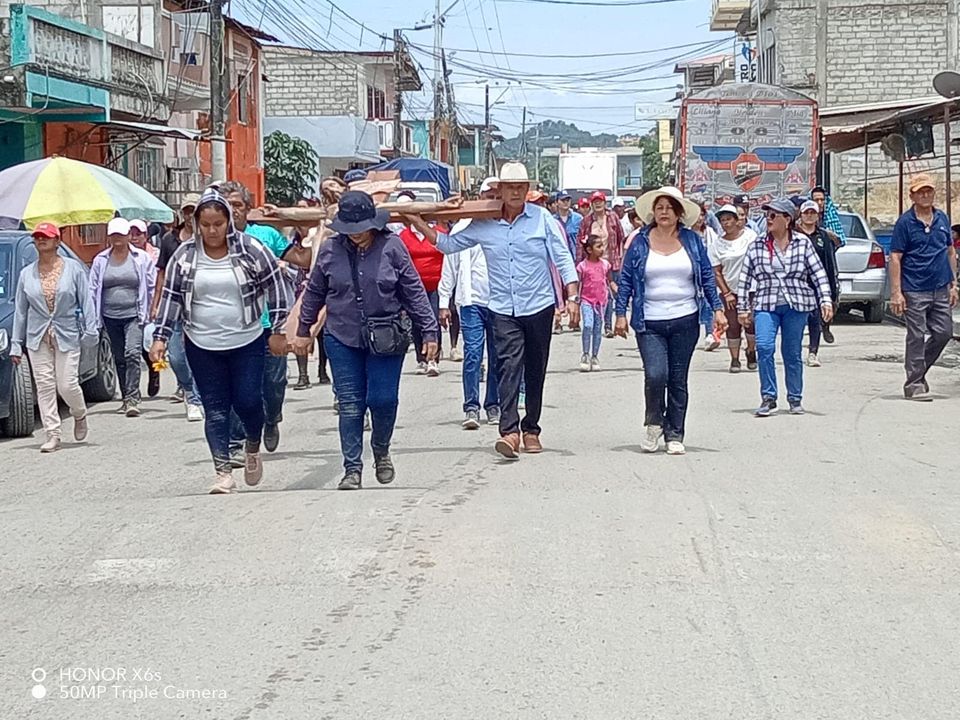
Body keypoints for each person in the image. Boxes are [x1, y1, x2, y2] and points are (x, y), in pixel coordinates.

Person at [428, 162, 580, 460]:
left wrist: (572, 296)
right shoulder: (483, 223)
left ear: (527, 190)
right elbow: (448, 245)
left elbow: (562, 257)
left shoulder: (541, 218)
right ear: (500, 190)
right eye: (510, 187)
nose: (515, 192)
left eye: (521, 187)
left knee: (535, 369)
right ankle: (509, 431)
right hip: (501, 307)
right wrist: (418, 222)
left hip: (538, 305)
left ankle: (531, 428)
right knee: (508, 366)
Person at [293, 191, 439, 490]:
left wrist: (430, 331)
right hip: (341, 336)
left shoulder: (392, 247)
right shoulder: (330, 250)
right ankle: (352, 469)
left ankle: (381, 450)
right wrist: (304, 330)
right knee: (350, 405)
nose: (356, 234)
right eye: (350, 228)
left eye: (361, 228)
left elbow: (413, 291)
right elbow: (315, 292)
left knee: (383, 400)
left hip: (387, 336)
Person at [150, 189, 292, 494]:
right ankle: (223, 472)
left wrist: (279, 329)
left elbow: (276, 288)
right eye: (206, 225)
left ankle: (252, 444)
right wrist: (160, 337)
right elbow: (171, 298)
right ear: (196, 224)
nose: (212, 231)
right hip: (201, 343)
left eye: (218, 224)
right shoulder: (184, 256)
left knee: (248, 401)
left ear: (228, 221)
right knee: (215, 408)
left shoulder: (252, 250)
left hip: (246, 340)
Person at [614, 187, 725, 456]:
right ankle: (654, 423)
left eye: (669, 207)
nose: (664, 212)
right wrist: (620, 314)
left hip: (685, 319)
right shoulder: (639, 241)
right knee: (656, 374)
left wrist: (717, 309)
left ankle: (674, 433)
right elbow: (626, 279)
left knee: (677, 379)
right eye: (659, 207)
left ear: (679, 213)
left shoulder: (692, 241)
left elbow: (706, 276)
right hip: (649, 321)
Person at [220, 180, 311, 456]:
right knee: (236, 387)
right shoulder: (209, 240)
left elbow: (303, 259)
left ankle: (271, 418)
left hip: (269, 325)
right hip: (231, 328)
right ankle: (237, 443)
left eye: (238, 205)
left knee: (273, 384)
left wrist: (298, 225)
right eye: (227, 205)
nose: (233, 210)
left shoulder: (266, 235)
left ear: (248, 209)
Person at [738, 198, 834, 417]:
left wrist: (826, 300)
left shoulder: (802, 243)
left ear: (787, 219)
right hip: (766, 303)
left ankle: (795, 398)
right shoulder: (757, 244)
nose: (769, 219)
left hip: (796, 304)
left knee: (792, 352)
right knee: (764, 347)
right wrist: (743, 308)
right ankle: (768, 397)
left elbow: (818, 273)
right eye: (767, 215)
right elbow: (745, 278)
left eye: (774, 215)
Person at [10, 222, 97, 452]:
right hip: (37, 336)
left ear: (57, 241)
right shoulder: (26, 274)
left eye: (46, 237)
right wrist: (16, 344)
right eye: (38, 237)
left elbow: (86, 300)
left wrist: (91, 330)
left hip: (67, 333)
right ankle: (53, 433)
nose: (41, 240)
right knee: (45, 385)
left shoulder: (73, 269)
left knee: (67, 385)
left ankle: (79, 413)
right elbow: (21, 311)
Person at [889, 174, 958, 401]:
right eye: (920, 192)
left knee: (944, 333)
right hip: (914, 289)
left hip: (940, 288)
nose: (925, 195)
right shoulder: (905, 223)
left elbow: (950, 251)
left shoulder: (942, 219)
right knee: (916, 335)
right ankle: (914, 385)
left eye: (928, 191)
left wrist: (954, 284)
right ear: (912, 196)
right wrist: (896, 293)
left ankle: (918, 373)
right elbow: (895, 257)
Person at [439, 181, 501, 430]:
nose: (492, 198)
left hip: (499, 303)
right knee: (473, 354)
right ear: (480, 196)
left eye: (496, 195)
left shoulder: (505, 226)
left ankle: (493, 404)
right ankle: (471, 406)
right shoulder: (463, 227)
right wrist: (444, 302)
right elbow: (450, 266)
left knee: (497, 356)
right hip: (471, 302)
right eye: (488, 194)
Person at [89, 217, 157, 417]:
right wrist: (92, 316)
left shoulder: (141, 258)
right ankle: (126, 396)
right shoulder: (101, 260)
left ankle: (133, 398)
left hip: (134, 314)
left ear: (128, 236)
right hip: (110, 316)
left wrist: (153, 309)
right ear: (109, 237)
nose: (117, 239)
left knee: (132, 353)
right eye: (114, 235)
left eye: (121, 235)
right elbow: (93, 289)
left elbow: (151, 285)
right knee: (119, 358)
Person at [154, 194, 204, 421]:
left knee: (199, 355)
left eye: (194, 211)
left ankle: (196, 398)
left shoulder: (209, 238)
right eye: (187, 211)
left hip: (200, 307)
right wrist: (156, 304)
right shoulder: (169, 239)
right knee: (176, 357)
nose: (190, 215)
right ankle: (188, 389)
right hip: (175, 305)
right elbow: (162, 273)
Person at [397, 190, 445, 376]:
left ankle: (434, 359)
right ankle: (421, 358)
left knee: (433, 319)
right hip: (414, 286)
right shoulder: (403, 236)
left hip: (436, 285)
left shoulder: (438, 233)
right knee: (417, 321)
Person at [709, 204, 757, 372]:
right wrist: (727, 293)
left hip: (751, 288)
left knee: (751, 323)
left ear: (737, 220)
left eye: (729, 219)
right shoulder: (717, 245)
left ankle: (751, 350)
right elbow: (716, 272)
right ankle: (735, 359)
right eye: (723, 220)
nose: (726, 223)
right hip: (729, 290)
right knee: (733, 325)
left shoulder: (750, 237)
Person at [796, 200, 840, 367]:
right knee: (797, 320)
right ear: (800, 215)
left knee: (815, 319)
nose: (809, 216)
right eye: (806, 213)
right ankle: (794, 351)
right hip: (797, 285)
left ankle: (813, 352)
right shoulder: (794, 234)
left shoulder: (823, 237)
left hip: (817, 285)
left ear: (818, 216)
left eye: (812, 213)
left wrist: (832, 291)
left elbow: (829, 263)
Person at [577, 191, 626, 338]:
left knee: (609, 294)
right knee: (593, 293)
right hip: (592, 263)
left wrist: (620, 257)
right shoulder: (587, 220)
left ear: (605, 203)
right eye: (595, 201)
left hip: (610, 262)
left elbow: (621, 237)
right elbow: (580, 242)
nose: (598, 204)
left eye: (600, 201)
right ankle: (594, 321)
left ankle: (608, 326)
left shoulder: (612, 217)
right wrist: (579, 262)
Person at [577, 234, 616, 372]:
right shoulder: (582, 266)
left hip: (601, 302)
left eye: (602, 246)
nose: (602, 249)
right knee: (588, 325)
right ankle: (585, 354)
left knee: (597, 329)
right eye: (598, 246)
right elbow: (579, 284)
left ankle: (594, 356)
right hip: (586, 301)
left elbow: (609, 280)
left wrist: (616, 289)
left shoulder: (605, 265)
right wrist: (575, 300)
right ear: (589, 249)